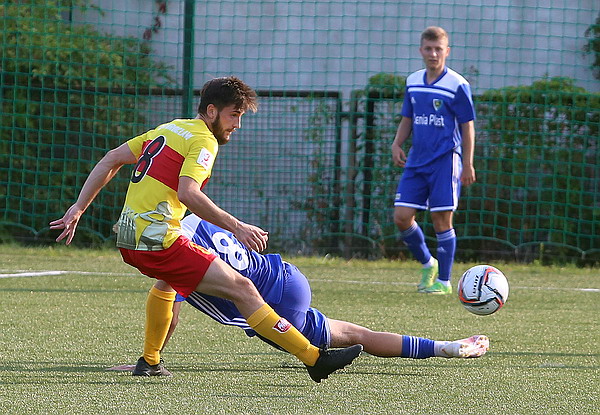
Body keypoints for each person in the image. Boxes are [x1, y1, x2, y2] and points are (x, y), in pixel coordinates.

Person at [50, 76, 362, 382]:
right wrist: (238, 227)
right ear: (211, 111)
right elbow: (188, 193)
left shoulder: (170, 128)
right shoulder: (204, 140)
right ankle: (314, 359)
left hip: (130, 237)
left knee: (169, 283)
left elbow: (111, 159)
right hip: (159, 239)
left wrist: (79, 207)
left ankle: (150, 361)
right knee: (243, 289)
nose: (237, 125)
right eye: (233, 115)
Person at [151, 214, 489, 362]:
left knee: (354, 337)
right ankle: (445, 346)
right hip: (286, 276)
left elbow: (170, 313)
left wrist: (150, 358)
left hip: (274, 305)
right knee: (358, 334)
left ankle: (443, 347)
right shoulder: (195, 217)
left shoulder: (175, 248)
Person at [391, 27, 476, 295]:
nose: (433, 54)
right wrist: (397, 143)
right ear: (421, 50)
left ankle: (445, 282)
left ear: (447, 51)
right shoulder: (413, 81)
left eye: (438, 49)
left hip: (445, 161)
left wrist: (468, 163)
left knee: (441, 219)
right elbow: (408, 117)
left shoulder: (457, 84)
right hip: (417, 160)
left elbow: (467, 126)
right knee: (401, 217)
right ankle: (429, 263)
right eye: (428, 48)